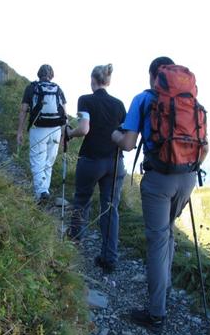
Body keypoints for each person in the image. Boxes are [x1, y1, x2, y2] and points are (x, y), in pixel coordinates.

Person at [111, 57, 209, 333]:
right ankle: (164, 289)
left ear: (153, 75)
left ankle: (156, 313)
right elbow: (205, 147)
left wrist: (114, 136)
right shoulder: (190, 102)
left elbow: (128, 144)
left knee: (156, 240)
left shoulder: (144, 99)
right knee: (167, 232)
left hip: (159, 179)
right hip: (188, 176)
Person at [66, 64, 127, 271]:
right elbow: (125, 133)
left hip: (91, 159)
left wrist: (69, 133)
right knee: (110, 209)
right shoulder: (119, 105)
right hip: (115, 162)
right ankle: (109, 258)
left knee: (81, 201)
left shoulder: (85, 100)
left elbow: (84, 129)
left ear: (93, 79)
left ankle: (73, 244)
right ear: (108, 82)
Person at [16, 64, 67, 202]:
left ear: (39, 74)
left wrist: (20, 131)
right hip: (55, 130)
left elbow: (23, 110)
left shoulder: (31, 88)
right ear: (52, 75)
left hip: (38, 129)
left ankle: (42, 192)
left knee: (37, 161)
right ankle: (44, 191)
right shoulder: (58, 89)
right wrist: (64, 136)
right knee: (48, 162)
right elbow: (64, 113)